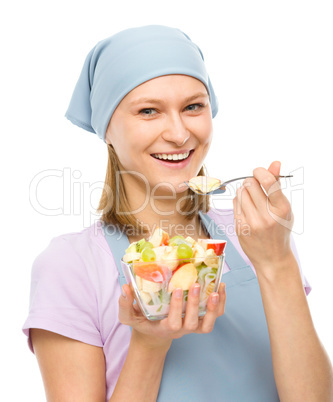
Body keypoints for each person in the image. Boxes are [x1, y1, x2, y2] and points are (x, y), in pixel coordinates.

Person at [22, 25, 332, 401]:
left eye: (193, 107)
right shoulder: (71, 265)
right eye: (149, 111)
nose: (179, 133)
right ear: (107, 129)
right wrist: (149, 345)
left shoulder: (256, 232)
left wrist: (278, 263)